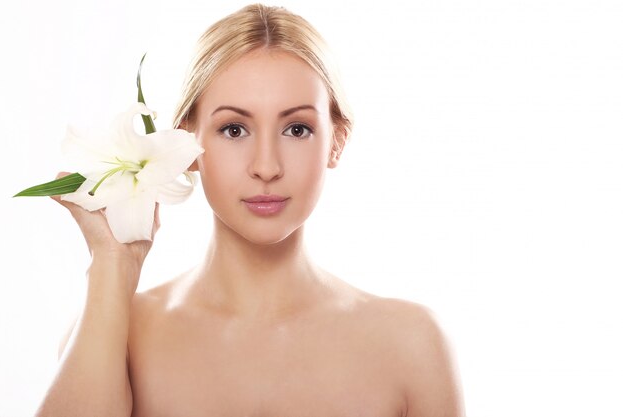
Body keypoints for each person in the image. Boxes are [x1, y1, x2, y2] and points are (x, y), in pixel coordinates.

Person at [35, 4, 464, 416]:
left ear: (336, 140)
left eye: (297, 129)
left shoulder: (412, 346)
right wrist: (113, 263)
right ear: (186, 144)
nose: (266, 167)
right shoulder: (111, 335)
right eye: (233, 129)